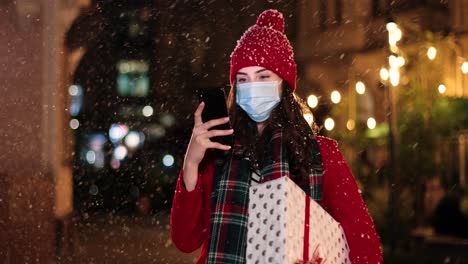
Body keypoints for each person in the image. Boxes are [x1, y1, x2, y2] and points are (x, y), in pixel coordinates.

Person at [171, 9, 382, 264]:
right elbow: (185, 241)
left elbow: (364, 243)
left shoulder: (321, 154)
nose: (252, 87)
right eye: (243, 79)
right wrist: (191, 164)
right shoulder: (217, 150)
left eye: (263, 76)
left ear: (284, 83)